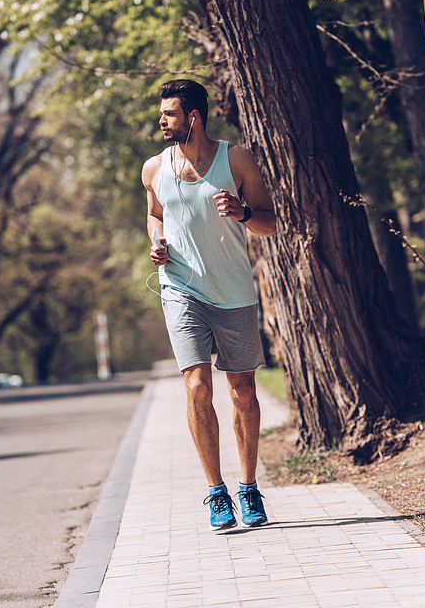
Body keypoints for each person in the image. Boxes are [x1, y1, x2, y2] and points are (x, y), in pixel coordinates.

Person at [142, 79, 276, 530]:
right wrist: (157, 243)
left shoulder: (235, 159)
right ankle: (217, 493)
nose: (161, 120)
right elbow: (155, 215)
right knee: (198, 385)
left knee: (243, 391)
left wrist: (242, 213)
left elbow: (270, 223)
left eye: (170, 114)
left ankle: (249, 486)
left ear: (193, 117)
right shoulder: (154, 168)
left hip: (234, 291)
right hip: (181, 288)